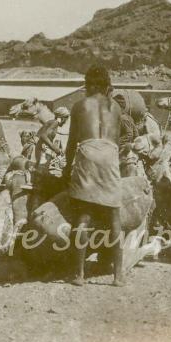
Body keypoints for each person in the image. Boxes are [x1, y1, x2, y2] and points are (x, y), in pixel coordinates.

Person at [64, 65, 124, 286]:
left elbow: (72, 143)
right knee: (114, 218)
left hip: (87, 154)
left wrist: (66, 170)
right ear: (107, 85)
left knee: (83, 216)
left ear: (88, 84)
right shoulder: (116, 108)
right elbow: (116, 140)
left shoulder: (79, 106)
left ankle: (79, 275)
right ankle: (118, 276)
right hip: (110, 154)